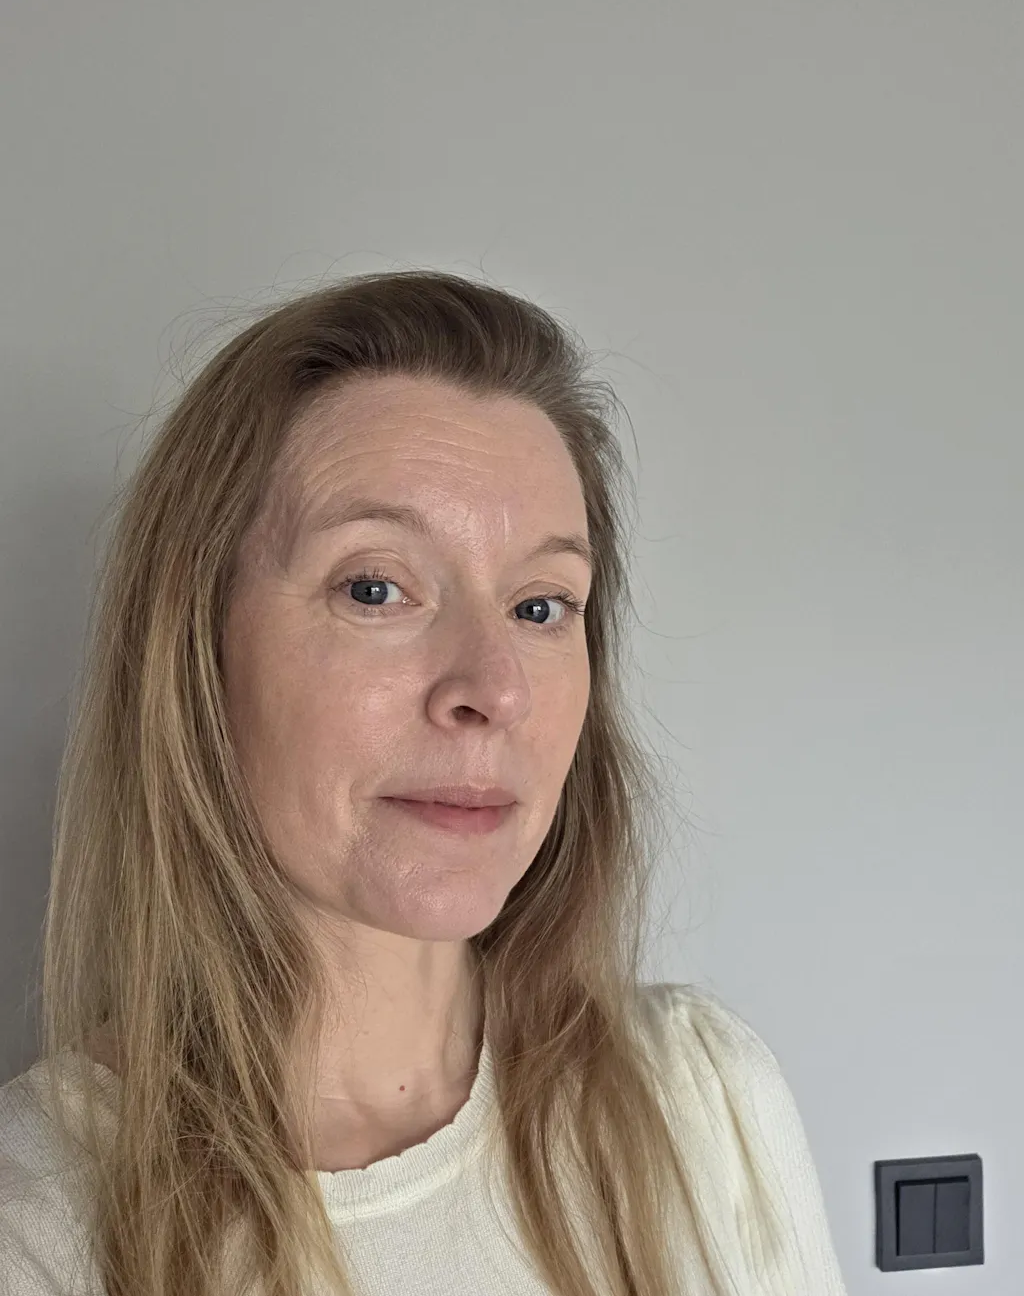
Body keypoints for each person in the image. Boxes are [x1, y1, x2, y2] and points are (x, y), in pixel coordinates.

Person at [0, 270, 848, 1295]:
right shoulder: (37, 1226)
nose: (494, 688)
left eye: (540, 606)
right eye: (376, 587)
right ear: (195, 651)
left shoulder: (703, 1102)